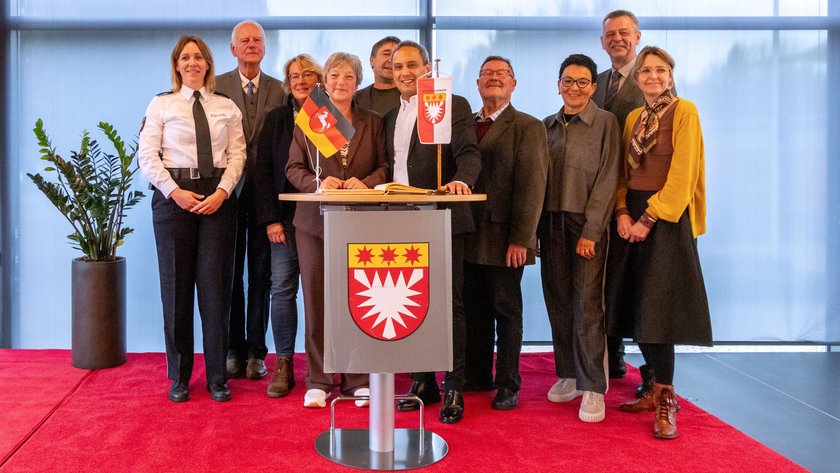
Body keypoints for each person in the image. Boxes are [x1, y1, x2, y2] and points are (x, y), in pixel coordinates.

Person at [605, 46, 711, 439]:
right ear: (637, 79)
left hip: (666, 217)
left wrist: (648, 218)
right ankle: (650, 389)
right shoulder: (634, 117)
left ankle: (666, 396)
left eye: (660, 70)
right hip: (631, 215)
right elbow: (622, 172)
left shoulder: (685, 112)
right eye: (646, 70)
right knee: (632, 302)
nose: (652, 76)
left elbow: (683, 176)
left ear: (671, 75)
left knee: (658, 310)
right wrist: (621, 213)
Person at [138, 35, 246, 403]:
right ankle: (180, 377)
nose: (192, 62)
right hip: (173, 200)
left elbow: (237, 155)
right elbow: (148, 156)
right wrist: (175, 192)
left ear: (208, 64)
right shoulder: (161, 104)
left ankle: (218, 377)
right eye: (185, 57)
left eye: (198, 57)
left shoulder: (226, 106)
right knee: (176, 289)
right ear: (176, 65)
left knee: (217, 292)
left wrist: (222, 193)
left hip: (218, 199)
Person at [385, 41, 482, 424]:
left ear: (427, 68)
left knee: (448, 304)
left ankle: (454, 382)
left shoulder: (448, 104)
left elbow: (469, 153)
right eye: (398, 67)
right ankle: (423, 380)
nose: (406, 72)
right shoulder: (391, 114)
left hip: (442, 215)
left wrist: (461, 181)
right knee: (410, 300)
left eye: (413, 65)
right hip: (399, 219)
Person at [285, 52, 388, 408]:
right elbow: (293, 168)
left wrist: (368, 182)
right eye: (333, 76)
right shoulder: (310, 120)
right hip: (314, 223)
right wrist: (317, 182)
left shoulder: (373, 121)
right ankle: (319, 378)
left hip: (360, 221)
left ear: (357, 82)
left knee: (358, 300)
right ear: (323, 83)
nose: (340, 82)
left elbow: (385, 167)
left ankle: (358, 378)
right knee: (316, 300)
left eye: (347, 76)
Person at [539, 54, 621, 423]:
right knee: (558, 299)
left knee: (587, 305)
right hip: (551, 222)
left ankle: (593, 386)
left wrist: (592, 231)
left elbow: (608, 179)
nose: (574, 88)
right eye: (568, 81)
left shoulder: (605, 123)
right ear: (558, 84)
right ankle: (568, 374)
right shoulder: (546, 126)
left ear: (593, 86)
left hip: (586, 224)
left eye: (582, 82)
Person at [463, 56, 548, 411]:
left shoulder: (528, 127)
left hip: (505, 238)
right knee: (473, 308)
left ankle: (509, 382)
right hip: (467, 233)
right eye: (487, 74)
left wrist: (522, 239)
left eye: (502, 74)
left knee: (506, 309)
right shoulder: (464, 125)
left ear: (514, 84)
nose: (494, 79)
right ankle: (477, 373)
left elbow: (533, 186)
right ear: (478, 83)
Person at [216, 20, 286, 381]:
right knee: (229, 275)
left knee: (261, 276)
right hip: (225, 194)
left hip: (265, 196)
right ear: (232, 49)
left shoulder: (282, 89)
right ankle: (233, 349)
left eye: (257, 40)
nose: (251, 45)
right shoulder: (215, 87)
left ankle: (257, 352)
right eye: (244, 40)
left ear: (265, 47)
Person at [252, 54, 323, 398]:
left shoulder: (331, 118)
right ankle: (282, 364)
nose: (300, 81)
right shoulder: (277, 119)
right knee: (282, 289)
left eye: (307, 75)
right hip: (284, 219)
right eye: (294, 76)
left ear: (319, 80)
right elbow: (262, 171)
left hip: (323, 219)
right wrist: (269, 220)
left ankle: (319, 366)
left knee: (319, 292)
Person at [354, 36, 401, 115]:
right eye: (386, 54)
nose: (391, 60)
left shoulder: (413, 98)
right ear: (372, 60)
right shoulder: (355, 100)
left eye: (396, 55)